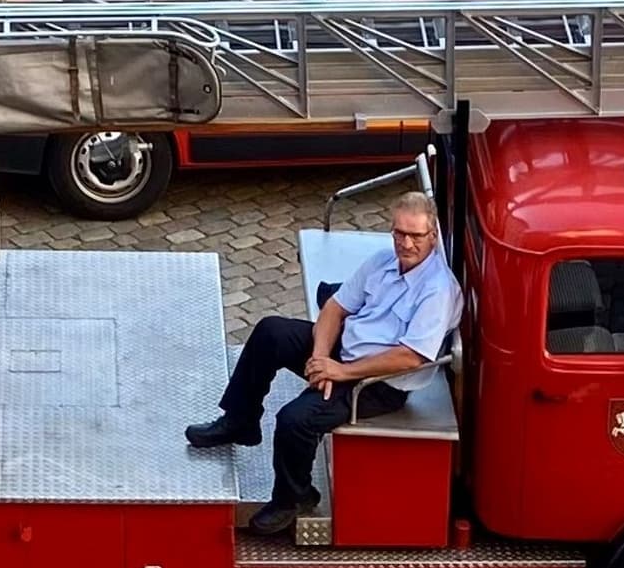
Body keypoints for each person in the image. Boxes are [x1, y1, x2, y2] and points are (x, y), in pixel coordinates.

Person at [185, 192, 463, 543]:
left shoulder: (437, 290)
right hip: (340, 352)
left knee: (294, 420)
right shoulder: (383, 261)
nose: (405, 243)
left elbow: (410, 357)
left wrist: (342, 372)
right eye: (399, 233)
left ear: (433, 235)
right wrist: (321, 359)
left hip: (378, 382)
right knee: (271, 331)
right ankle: (240, 421)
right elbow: (334, 308)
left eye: (416, 236)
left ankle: (294, 498)